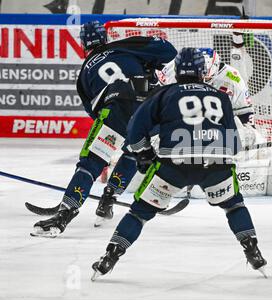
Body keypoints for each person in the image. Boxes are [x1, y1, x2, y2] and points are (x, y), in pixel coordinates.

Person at [91, 48, 267, 280]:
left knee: (138, 214)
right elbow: (232, 144)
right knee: (234, 206)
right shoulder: (221, 96)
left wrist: (144, 156)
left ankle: (109, 258)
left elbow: (135, 129)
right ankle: (253, 251)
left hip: (173, 167)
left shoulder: (164, 94)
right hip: (215, 166)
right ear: (202, 71)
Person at [30, 21, 177, 237]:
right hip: (150, 107)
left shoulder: (83, 75)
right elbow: (169, 51)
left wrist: (107, 139)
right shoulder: (124, 46)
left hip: (115, 110)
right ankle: (109, 197)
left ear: (83, 45)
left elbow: (94, 112)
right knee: (133, 151)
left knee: (91, 163)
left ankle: (64, 215)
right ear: (105, 38)